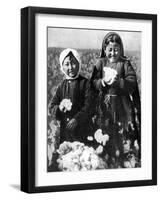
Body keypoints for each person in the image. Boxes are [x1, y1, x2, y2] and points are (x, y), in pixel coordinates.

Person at [90, 32, 141, 161]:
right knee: (105, 128)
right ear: (105, 49)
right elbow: (92, 82)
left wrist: (120, 82)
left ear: (121, 49)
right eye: (110, 50)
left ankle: (126, 154)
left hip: (121, 104)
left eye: (116, 49)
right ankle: (107, 154)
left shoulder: (125, 64)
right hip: (104, 103)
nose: (113, 53)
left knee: (122, 129)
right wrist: (102, 82)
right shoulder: (100, 63)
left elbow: (132, 82)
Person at [49, 48, 91, 144]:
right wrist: (59, 108)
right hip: (65, 133)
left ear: (79, 63)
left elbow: (89, 106)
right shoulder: (62, 86)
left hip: (82, 131)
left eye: (73, 63)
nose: (71, 67)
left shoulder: (85, 83)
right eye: (67, 64)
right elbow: (52, 106)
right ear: (62, 67)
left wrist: (77, 119)